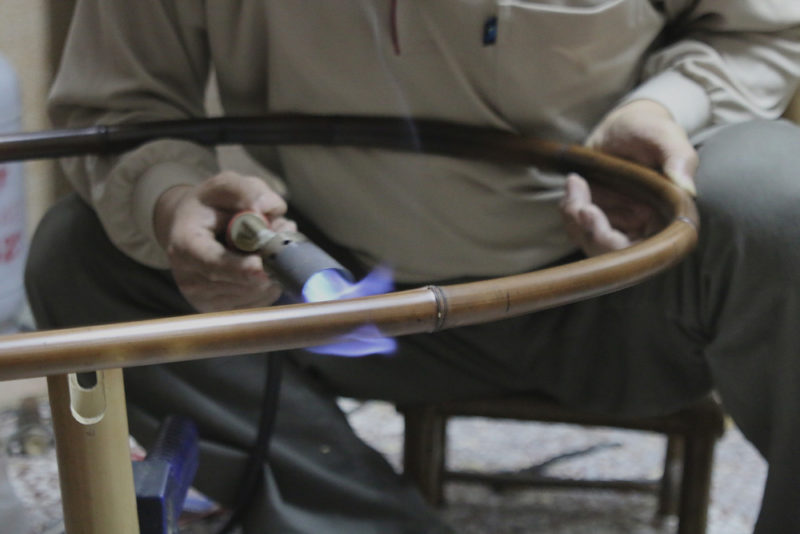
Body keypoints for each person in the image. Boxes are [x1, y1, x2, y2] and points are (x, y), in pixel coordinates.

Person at [25, 1, 800, 532]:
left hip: (616, 295)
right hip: (331, 300)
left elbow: (762, 30)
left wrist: (665, 108)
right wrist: (172, 202)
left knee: (777, 196)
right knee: (79, 256)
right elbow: (120, 105)